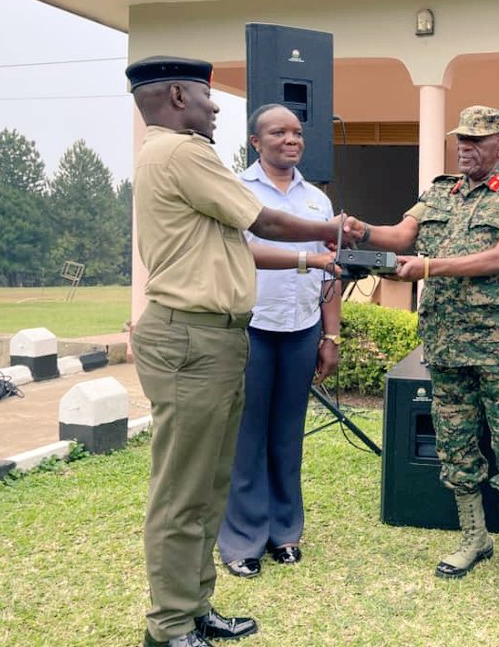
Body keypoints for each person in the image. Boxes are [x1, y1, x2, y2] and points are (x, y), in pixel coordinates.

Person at [127, 56, 356, 647]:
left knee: (210, 483)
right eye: (206, 96)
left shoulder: (172, 153)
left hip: (217, 334)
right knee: (183, 491)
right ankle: (170, 625)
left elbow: (246, 242)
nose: (215, 105)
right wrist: (335, 234)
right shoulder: (182, 151)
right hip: (192, 335)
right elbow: (264, 224)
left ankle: (195, 607)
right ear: (178, 96)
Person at [344, 105, 499, 594]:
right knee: (455, 442)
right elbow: (399, 236)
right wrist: (361, 232)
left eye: (477, 140)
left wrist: (429, 267)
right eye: (462, 139)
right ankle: (474, 538)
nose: (465, 147)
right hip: (447, 341)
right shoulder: (437, 193)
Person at [217, 104, 341, 578]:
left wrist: (331, 335)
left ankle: (284, 533)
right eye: (278, 132)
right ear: (256, 142)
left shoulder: (318, 200)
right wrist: (310, 263)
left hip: (301, 331)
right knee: (247, 437)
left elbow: (332, 275)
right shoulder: (236, 191)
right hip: (251, 327)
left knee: (287, 437)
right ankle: (243, 540)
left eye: (296, 132)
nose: (291, 139)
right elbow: (241, 251)